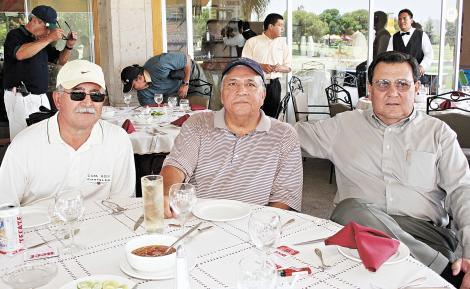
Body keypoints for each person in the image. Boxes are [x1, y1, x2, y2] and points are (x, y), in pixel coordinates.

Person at [295, 51, 470, 288]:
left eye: (402, 84)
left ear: (417, 87)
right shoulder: (343, 126)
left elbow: (463, 191)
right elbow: (288, 136)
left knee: (349, 212)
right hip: (360, 236)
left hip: (425, 236)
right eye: (383, 84)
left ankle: (429, 263)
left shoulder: (438, 134)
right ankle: (443, 272)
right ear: (370, 88)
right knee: (350, 211)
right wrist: (247, 115)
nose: (393, 93)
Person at [160, 58, 302, 217]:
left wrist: (262, 226)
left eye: (250, 84)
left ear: (263, 95)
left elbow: (285, 196)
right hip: (198, 221)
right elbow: (176, 166)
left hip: (253, 225)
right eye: (232, 84)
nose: (241, 91)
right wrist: (166, 193)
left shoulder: (284, 135)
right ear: (221, 96)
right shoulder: (198, 123)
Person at [0, 60, 136, 207]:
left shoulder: (117, 140)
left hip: (100, 226)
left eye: (96, 95)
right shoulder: (25, 144)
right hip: (39, 227)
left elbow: (122, 204)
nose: (88, 103)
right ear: (58, 99)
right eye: (78, 94)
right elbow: (6, 207)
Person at [3, 5, 77, 139]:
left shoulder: (41, 41)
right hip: (20, 96)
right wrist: (48, 39)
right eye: (47, 27)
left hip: (41, 97)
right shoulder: (15, 35)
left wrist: (69, 46)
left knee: (43, 138)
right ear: (36, 20)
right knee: (22, 139)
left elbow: (61, 60)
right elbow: (20, 54)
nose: (49, 31)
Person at [242, 13, 291, 118]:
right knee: (253, 116)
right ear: (270, 26)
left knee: (272, 117)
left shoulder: (282, 44)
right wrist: (260, 66)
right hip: (255, 85)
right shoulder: (252, 42)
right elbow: (244, 64)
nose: (282, 29)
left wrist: (280, 68)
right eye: (280, 25)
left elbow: (289, 67)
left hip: (274, 86)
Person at [121, 52, 208, 106]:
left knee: (202, 104)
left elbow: (187, 59)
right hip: (174, 89)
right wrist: (162, 107)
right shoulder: (142, 95)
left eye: (133, 86)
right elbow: (152, 109)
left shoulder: (159, 63)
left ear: (139, 78)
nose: (133, 90)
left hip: (191, 74)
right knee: (173, 105)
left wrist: (185, 84)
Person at [387, 9, 433, 83]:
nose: (402, 21)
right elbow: (388, 57)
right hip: (398, 78)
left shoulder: (421, 35)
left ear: (411, 20)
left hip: (417, 77)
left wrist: (422, 66)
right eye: (400, 19)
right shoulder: (393, 37)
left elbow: (429, 54)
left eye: (404, 18)